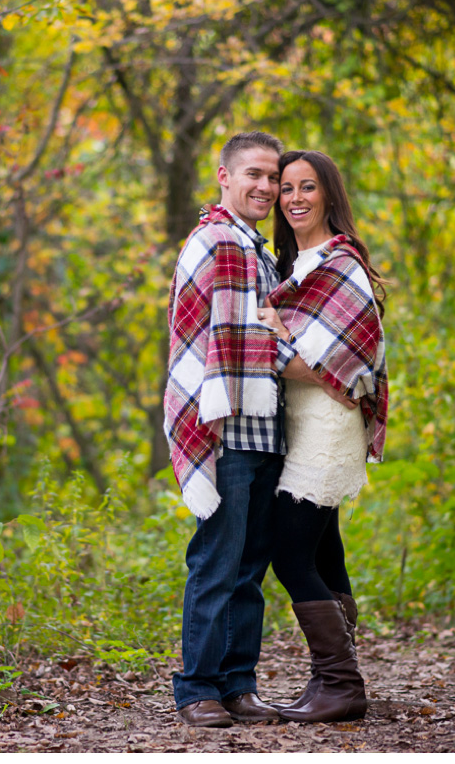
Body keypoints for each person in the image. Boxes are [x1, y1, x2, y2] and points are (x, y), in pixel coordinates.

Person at [164, 133, 346, 728]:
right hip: (227, 430)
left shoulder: (261, 250)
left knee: (250, 571)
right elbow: (203, 339)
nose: (267, 187)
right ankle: (197, 689)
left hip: (267, 431)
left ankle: (239, 685)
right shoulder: (214, 239)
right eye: (255, 175)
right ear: (224, 175)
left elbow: (266, 331)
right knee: (217, 562)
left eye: (274, 177)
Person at [258, 150, 390, 724]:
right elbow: (308, 355)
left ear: (329, 195)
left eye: (307, 187)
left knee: (288, 550)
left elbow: (341, 360)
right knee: (321, 548)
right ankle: (334, 683)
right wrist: (284, 335)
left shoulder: (340, 264)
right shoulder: (296, 265)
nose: (294, 198)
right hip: (299, 422)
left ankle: (341, 682)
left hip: (329, 424)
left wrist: (269, 336)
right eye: (286, 188)